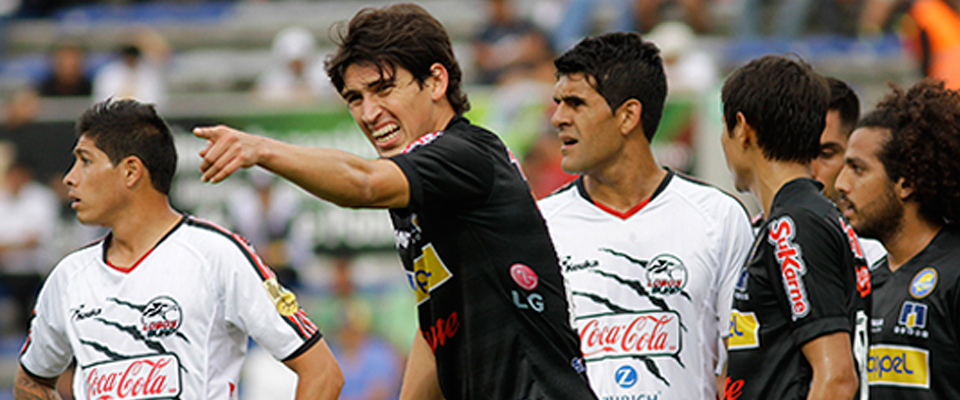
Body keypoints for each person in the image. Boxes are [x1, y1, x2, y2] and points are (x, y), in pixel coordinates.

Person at [193, 4, 595, 400]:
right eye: (354, 98)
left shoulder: (466, 153)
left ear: (436, 81)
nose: (369, 113)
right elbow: (435, 324)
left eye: (383, 89)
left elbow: (363, 183)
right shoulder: (423, 186)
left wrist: (261, 148)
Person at [14, 99, 343, 400]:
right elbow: (31, 382)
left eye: (85, 161)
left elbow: (323, 372)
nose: (70, 178)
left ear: (130, 171)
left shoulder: (217, 255)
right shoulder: (69, 277)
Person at [537, 32, 753, 399]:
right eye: (558, 103)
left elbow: (745, 361)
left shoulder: (718, 219)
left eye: (575, 103)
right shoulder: (538, 225)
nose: (558, 118)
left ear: (628, 116)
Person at [719, 55, 870, 400]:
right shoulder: (802, 216)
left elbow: (836, 379)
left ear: (742, 128)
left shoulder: (795, 225)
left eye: (723, 126)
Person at [834, 79, 960, 399]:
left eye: (857, 170)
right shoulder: (867, 281)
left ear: (906, 183)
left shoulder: (954, 272)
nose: (841, 184)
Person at [812, 77, 887, 267]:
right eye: (795, 153)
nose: (810, 169)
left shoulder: (876, 258)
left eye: (825, 154)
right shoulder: (753, 242)